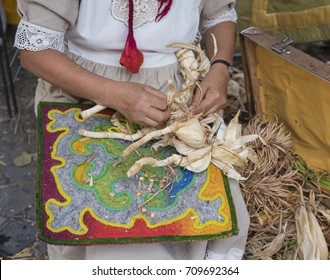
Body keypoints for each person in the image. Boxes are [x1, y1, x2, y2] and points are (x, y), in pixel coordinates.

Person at [14, 0, 250, 260]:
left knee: (197, 217)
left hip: (177, 97)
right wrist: (113, 94)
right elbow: (34, 50)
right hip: (83, 93)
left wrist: (220, 68)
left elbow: (218, 15)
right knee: (98, 227)